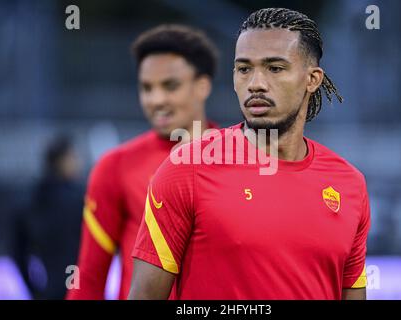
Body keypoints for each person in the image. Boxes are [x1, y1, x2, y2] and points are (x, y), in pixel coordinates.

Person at [129, 8, 371, 300]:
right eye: (244, 69)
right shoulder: (187, 169)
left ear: (312, 79)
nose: (256, 83)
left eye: (275, 68)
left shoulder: (349, 184)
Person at [66, 25, 219, 300]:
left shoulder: (243, 159)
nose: (156, 100)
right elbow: (88, 279)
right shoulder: (115, 166)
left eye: (170, 86)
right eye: (147, 88)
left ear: (203, 86)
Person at [12, 135, 84, 299]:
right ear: (62, 161)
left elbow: (18, 251)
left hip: (46, 289)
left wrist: (34, 289)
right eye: (74, 157)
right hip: (72, 283)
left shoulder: (30, 198)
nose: (78, 163)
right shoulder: (77, 198)